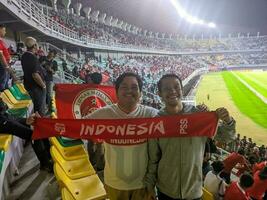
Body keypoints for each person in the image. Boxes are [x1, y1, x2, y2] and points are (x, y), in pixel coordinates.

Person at [145, 74, 236, 200]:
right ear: (160, 93)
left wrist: (228, 121)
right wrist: (150, 185)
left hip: (194, 190)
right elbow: (153, 159)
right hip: (165, 190)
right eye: (166, 88)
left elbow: (225, 138)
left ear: (182, 90)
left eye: (176, 87)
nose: (172, 91)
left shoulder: (198, 115)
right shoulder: (156, 122)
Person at [87, 72, 158, 200]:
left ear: (140, 93)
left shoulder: (150, 114)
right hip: (114, 185)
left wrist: (199, 115)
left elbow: (177, 123)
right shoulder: (104, 114)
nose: (129, 91)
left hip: (143, 185)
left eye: (134, 87)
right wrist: (44, 124)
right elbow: (74, 127)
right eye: (124, 87)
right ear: (117, 91)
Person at [0, 98, 52, 172]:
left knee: (37, 122)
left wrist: (26, 120)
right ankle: (45, 164)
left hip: (5, 117)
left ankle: (50, 155)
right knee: (33, 134)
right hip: (2, 122)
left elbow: (4, 109)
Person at [21, 37, 47, 116]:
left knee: (36, 110)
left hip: (29, 86)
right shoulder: (32, 57)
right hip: (36, 87)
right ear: (34, 45)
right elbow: (35, 75)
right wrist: (43, 85)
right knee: (39, 110)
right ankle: (41, 126)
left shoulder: (24, 56)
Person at [0, 24, 18, 91]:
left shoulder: (2, 41)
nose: (5, 32)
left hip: (6, 65)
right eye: (4, 30)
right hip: (3, 66)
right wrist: (7, 66)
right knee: (2, 84)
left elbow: (4, 53)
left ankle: (5, 98)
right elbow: (1, 55)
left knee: (5, 84)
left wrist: (9, 61)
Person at [39, 49, 57, 113]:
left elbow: (54, 72)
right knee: (42, 94)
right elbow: (37, 66)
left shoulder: (54, 62)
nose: (49, 52)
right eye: (49, 51)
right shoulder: (42, 58)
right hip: (41, 78)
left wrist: (50, 70)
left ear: (54, 55)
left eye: (51, 52)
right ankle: (42, 108)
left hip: (49, 80)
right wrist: (42, 64)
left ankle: (50, 109)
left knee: (49, 94)